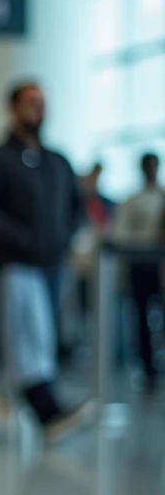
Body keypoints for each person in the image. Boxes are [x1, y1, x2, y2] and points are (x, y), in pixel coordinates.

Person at [0, 80, 91, 443]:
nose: (39, 109)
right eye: (31, 102)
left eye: (42, 102)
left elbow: (77, 207)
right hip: (12, 267)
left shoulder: (56, 162)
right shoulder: (0, 160)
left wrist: (62, 238)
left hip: (50, 267)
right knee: (17, 337)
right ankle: (45, 411)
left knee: (12, 338)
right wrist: (19, 237)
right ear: (14, 109)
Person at [110, 152, 164, 393]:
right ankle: (148, 369)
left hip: (161, 266)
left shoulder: (162, 196)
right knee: (141, 319)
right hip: (141, 266)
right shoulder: (132, 201)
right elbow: (120, 235)